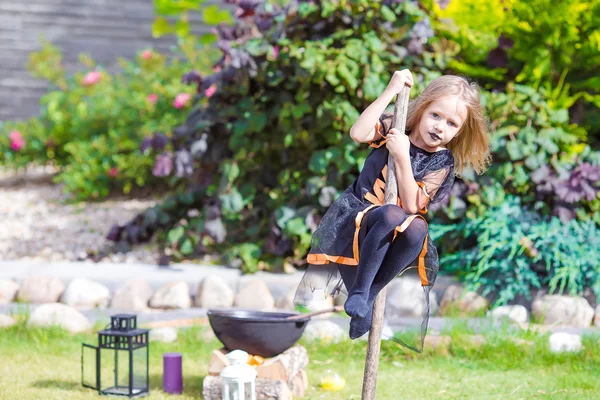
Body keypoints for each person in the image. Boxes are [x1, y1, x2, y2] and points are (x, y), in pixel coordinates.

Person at [294, 70, 491, 352]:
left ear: (459, 130)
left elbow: (413, 205)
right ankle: (361, 290)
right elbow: (358, 132)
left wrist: (402, 157)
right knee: (390, 214)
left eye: (451, 123)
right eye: (435, 115)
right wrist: (391, 90)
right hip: (359, 218)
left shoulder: (442, 162)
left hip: (394, 229)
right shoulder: (395, 127)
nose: (440, 127)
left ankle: (367, 296)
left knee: (418, 227)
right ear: (422, 109)